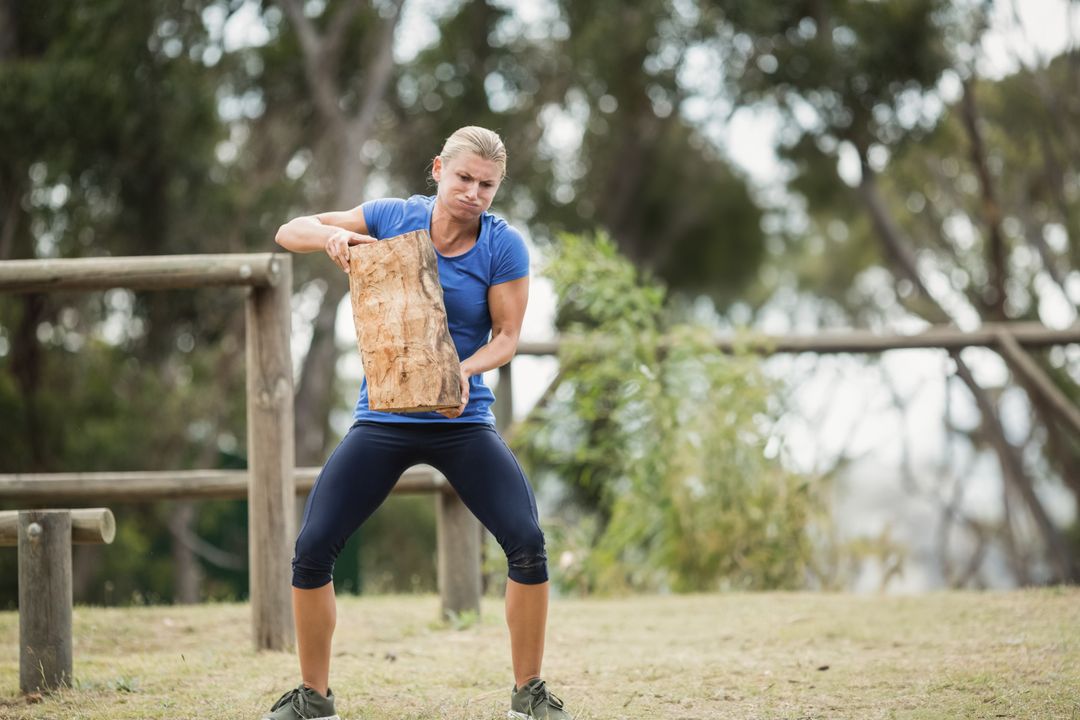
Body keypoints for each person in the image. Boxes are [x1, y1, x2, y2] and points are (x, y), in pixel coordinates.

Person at [266, 126, 573, 720]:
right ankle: (312, 698)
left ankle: (529, 694)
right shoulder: (391, 216)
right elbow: (289, 231)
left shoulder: (502, 246)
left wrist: (463, 373)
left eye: (487, 185)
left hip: (462, 419)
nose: (474, 193)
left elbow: (507, 338)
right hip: (383, 417)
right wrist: (335, 236)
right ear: (437, 169)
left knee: (528, 543)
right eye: (464, 178)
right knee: (311, 548)